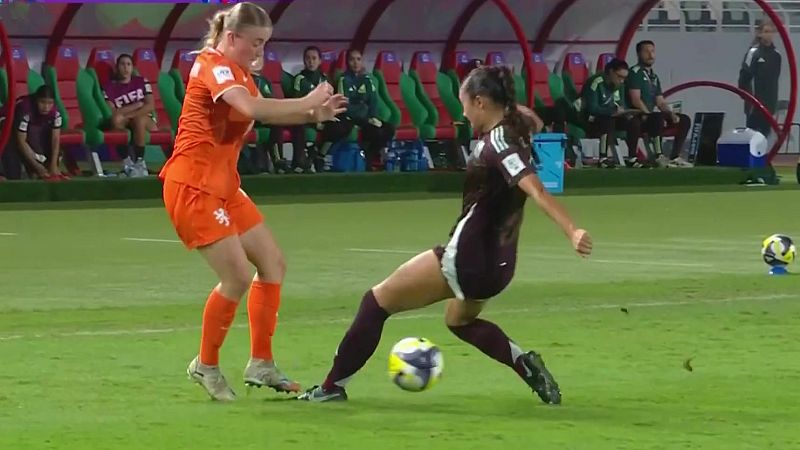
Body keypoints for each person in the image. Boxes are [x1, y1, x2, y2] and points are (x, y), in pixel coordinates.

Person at [299, 65, 593, 403]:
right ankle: (523, 365)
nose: (463, 113)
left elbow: (537, 190)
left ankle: (331, 387)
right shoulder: (519, 125)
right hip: (500, 264)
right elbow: (533, 120)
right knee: (459, 321)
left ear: (481, 102)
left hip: (468, 258)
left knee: (375, 303)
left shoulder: (499, 143)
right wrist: (510, 107)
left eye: (465, 103)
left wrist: (572, 230)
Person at [158, 1, 346, 401]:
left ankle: (261, 363)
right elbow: (249, 108)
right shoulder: (213, 65)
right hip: (192, 185)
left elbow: (262, 115)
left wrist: (315, 114)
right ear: (231, 37)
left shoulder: (239, 72)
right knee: (238, 276)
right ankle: (205, 366)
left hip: (223, 185)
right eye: (255, 42)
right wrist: (306, 100)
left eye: (265, 43)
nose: (260, 50)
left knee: (272, 264)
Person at [325, 49, 395, 170]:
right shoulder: (343, 79)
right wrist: (364, 110)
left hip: (366, 118)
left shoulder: (367, 79)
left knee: (389, 129)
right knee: (373, 131)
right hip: (350, 118)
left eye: (358, 59)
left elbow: (373, 101)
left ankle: (371, 155)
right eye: (352, 59)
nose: (356, 63)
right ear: (347, 62)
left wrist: (373, 117)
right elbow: (345, 105)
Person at [627, 40, 692, 167]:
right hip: (637, 116)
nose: (650, 55)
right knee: (656, 117)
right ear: (639, 54)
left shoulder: (654, 77)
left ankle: (675, 156)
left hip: (651, 116)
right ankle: (658, 156)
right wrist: (647, 113)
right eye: (646, 52)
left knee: (684, 120)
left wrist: (670, 113)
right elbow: (635, 99)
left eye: (652, 51)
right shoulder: (635, 73)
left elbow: (660, 101)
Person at [102, 54, 159, 177]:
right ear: (117, 68)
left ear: (132, 67)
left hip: (145, 118)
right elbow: (114, 112)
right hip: (126, 120)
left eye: (129, 64)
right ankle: (127, 162)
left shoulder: (141, 81)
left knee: (139, 120)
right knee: (116, 120)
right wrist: (136, 105)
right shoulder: (109, 87)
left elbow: (150, 106)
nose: (126, 68)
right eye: (122, 64)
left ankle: (139, 161)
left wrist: (130, 114)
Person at [580, 59, 643, 168]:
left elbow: (620, 104)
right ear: (610, 72)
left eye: (624, 78)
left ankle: (632, 158)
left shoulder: (620, 86)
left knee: (634, 122)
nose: (622, 81)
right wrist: (611, 112)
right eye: (619, 76)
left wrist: (626, 113)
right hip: (592, 119)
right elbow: (592, 108)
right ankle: (603, 158)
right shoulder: (596, 82)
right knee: (607, 120)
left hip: (613, 117)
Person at [0, 85, 66, 180]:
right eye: (42, 102)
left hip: (30, 127)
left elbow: (55, 139)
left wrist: (54, 165)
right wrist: (38, 168)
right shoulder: (25, 111)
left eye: (50, 103)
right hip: (6, 126)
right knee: (13, 176)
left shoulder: (55, 114)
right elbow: (21, 142)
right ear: (36, 100)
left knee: (54, 155)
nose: (46, 107)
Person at [290, 46, 330, 173]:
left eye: (314, 58)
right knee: (297, 124)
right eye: (308, 58)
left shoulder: (324, 79)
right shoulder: (299, 79)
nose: (311, 62)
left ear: (320, 61)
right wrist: (314, 119)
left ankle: (317, 156)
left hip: (321, 116)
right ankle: (299, 163)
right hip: (304, 116)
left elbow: (328, 102)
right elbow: (297, 103)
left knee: (341, 124)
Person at [738, 21, 781, 139]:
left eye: (771, 32)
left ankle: (764, 157)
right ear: (759, 34)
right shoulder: (753, 53)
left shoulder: (776, 55)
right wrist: (747, 97)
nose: (769, 35)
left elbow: (774, 80)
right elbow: (744, 76)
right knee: (752, 137)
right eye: (766, 32)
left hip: (769, 104)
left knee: (765, 136)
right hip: (754, 104)